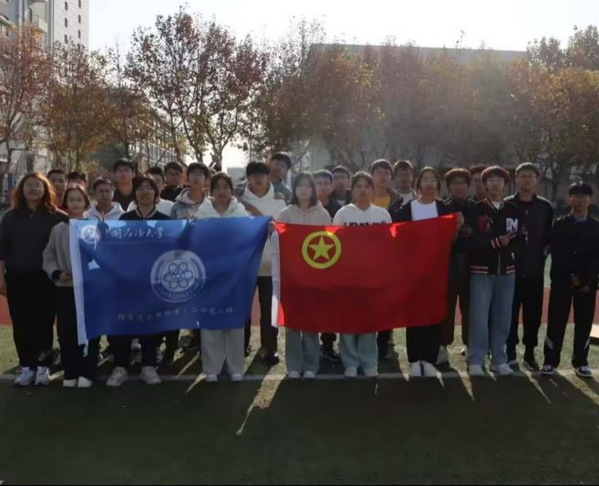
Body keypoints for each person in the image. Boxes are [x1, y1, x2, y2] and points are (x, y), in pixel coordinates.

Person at [0, 173, 68, 387]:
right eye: (28, 185)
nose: (33, 189)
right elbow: (2, 250)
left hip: (46, 279)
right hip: (17, 277)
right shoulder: (10, 217)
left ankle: (42, 366)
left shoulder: (57, 217)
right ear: (21, 190)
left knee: (44, 322)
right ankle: (27, 366)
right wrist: (1, 278)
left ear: (45, 189)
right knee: (21, 323)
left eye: (37, 185)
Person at [106, 175, 171, 388]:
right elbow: (115, 250)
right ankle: (121, 366)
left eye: (149, 188)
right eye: (141, 188)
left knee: (150, 324)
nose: (145, 192)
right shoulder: (125, 220)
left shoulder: (166, 221)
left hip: (154, 283)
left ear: (156, 193)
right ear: (135, 193)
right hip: (127, 282)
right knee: (124, 323)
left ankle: (148, 366)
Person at [392, 167, 457, 378]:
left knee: (433, 314)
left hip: (436, 272)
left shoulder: (444, 209)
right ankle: (414, 360)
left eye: (433, 179)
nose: (429, 183)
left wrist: (456, 226)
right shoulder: (407, 208)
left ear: (437, 184)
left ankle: (429, 359)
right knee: (414, 316)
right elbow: (398, 237)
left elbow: (450, 240)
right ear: (418, 184)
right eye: (425, 179)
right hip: (413, 272)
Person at [467, 166, 525, 377]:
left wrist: (509, 249)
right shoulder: (476, 210)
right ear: (484, 184)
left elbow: (521, 239)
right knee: (479, 317)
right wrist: (495, 243)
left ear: (505, 184)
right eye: (490, 179)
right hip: (481, 271)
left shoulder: (514, 210)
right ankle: (476, 359)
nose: (495, 183)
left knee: (503, 317)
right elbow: (471, 241)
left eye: (499, 180)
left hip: (507, 272)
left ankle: (499, 359)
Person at [333, 172, 391, 378]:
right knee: (348, 319)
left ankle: (368, 361)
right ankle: (350, 362)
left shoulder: (382, 215)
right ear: (353, 190)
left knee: (369, 320)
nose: (363, 190)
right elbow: (334, 245)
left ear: (373, 190)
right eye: (359, 186)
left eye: (367, 186)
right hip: (348, 275)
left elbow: (388, 246)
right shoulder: (343, 214)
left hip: (373, 276)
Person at [43, 185, 99, 388]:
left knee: (90, 331)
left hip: (89, 289)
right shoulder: (58, 229)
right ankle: (70, 371)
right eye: (71, 199)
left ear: (86, 203)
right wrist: (58, 273)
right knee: (66, 331)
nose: (75, 203)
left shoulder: (95, 227)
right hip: (66, 289)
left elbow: (103, 256)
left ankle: (88, 371)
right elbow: (49, 256)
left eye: (79, 199)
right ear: (65, 203)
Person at [195, 172, 249, 383]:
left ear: (231, 190)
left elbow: (248, 237)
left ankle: (235, 367)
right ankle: (212, 368)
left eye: (225, 187)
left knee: (234, 320)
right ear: (211, 190)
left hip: (234, 274)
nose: (221, 191)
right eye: (217, 187)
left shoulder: (240, 212)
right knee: (210, 319)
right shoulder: (202, 212)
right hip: (209, 273)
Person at [542, 183, 599, 379]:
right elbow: (558, 253)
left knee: (584, 321)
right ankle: (550, 361)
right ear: (570, 199)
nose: (580, 199)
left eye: (584, 196)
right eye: (576, 195)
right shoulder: (559, 224)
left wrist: (583, 279)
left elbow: (596, 258)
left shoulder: (596, 227)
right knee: (556, 320)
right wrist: (570, 276)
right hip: (562, 280)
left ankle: (581, 361)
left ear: (590, 200)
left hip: (587, 284)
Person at [279, 173, 332, 379]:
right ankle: (294, 365)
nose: (303, 189)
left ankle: (311, 364)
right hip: (291, 276)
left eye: (307, 186)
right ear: (294, 189)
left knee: (311, 321)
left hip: (314, 277)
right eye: (299, 185)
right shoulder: (285, 214)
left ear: (313, 190)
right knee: (292, 322)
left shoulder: (323, 214)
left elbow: (330, 243)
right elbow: (277, 242)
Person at [505, 163, 553, 371]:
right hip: (509, 271)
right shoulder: (507, 204)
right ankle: (509, 353)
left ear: (537, 180)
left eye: (530, 176)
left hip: (534, 270)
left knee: (533, 315)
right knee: (509, 314)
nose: (526, 179)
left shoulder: (545, 207)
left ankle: (530, 353)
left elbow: (549, 237)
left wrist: (542, 255)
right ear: (516, 179)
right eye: (522, 176)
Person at [240, 161, 287, 366]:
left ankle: (269, 348)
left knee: (270, 309)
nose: (258, 179)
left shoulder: (279, 201)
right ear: (248, 178)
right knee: (242, 307)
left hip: (271, 264)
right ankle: (242, 344)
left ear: (268, 177)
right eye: (254, 175)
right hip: (245, 265)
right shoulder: (237, 201)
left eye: (262, 175)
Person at [440, 168, 474, 363]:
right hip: (448, 267)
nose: (458, 187)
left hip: (471, 267)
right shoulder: (442, 209)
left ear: (468, 186)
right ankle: (442, 346)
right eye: (454, 183)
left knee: (469, 308)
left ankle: (469, 344)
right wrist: (456, 228)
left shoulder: (475, 208)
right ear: (448, 187)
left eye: (462, 183)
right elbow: (440, 242)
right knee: (446, 308)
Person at [313, 169, 342, 363]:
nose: (322, 187)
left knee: (331, 306)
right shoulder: (305, 206)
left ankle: (328, 344)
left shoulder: (340, 210)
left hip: (333, 265)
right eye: (318, 183)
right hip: (309, 264)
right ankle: (309, 344)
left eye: (326, 183)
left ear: (332, 186)